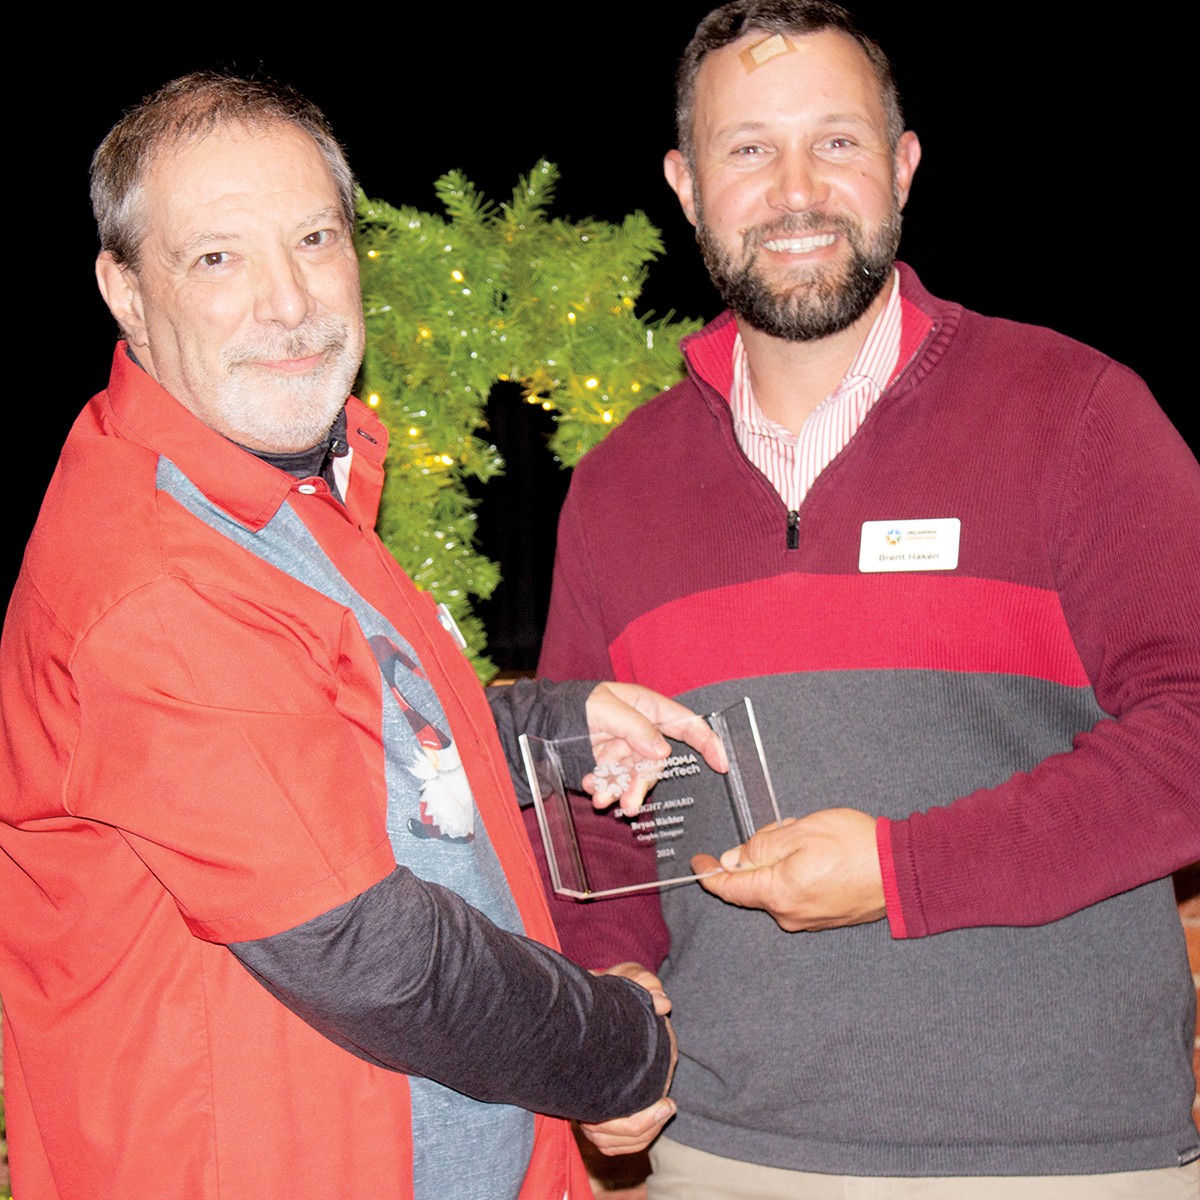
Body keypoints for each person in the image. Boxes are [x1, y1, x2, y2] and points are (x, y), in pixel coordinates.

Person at [0, 72, 728, 1200]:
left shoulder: (281, 488)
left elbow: (335, 748)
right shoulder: (156, 574)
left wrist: (550, 728)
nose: (289, 303)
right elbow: (363, 954)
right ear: (126, 292)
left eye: (314, 238)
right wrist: (617, 1044)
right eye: (217, 259)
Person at [533, 3, 1200, 1197]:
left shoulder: (1081, 416)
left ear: (901, 166)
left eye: (836, 142)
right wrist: (616, 994)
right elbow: (590, 807)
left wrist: (907, 868)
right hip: (720, 1150)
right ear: (686, 187)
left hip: (1063, 1159)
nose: (796, 190)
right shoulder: (615, 488)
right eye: (748, 150)